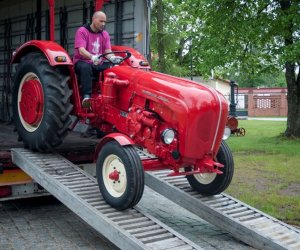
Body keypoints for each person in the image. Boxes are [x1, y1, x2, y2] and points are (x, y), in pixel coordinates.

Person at [73, 11, 117, 108]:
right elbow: (81, 50)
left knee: (113, 69)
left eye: (105, 22)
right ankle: (87, 97)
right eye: (101, 21)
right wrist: (92, 57)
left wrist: (113, 59)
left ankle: (110, 96)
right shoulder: (82, 31)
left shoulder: (105, 34)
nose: (103, 24)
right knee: (85, 67)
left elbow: (108, 51)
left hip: (97, 63)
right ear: (93, 19)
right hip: (82, 62)